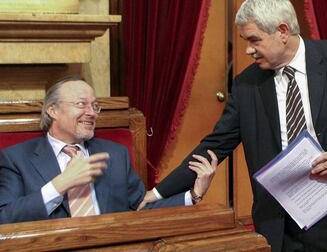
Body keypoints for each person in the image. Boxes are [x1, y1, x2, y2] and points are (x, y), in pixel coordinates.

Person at [141, 0, 327, 251]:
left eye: (254, 40)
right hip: (279, 222)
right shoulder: (246, 85)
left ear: (283, 31)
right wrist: (159, 193)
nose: (248, 50)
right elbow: (215, 145)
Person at [0, 75, 217, 224]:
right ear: (52, 110)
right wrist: (59, 185)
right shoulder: (16, 158)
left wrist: (193, 194)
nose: (92, 113)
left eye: (94, 106)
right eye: (81, 104)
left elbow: (140, 208)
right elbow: (5, 218)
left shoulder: (115, 153)